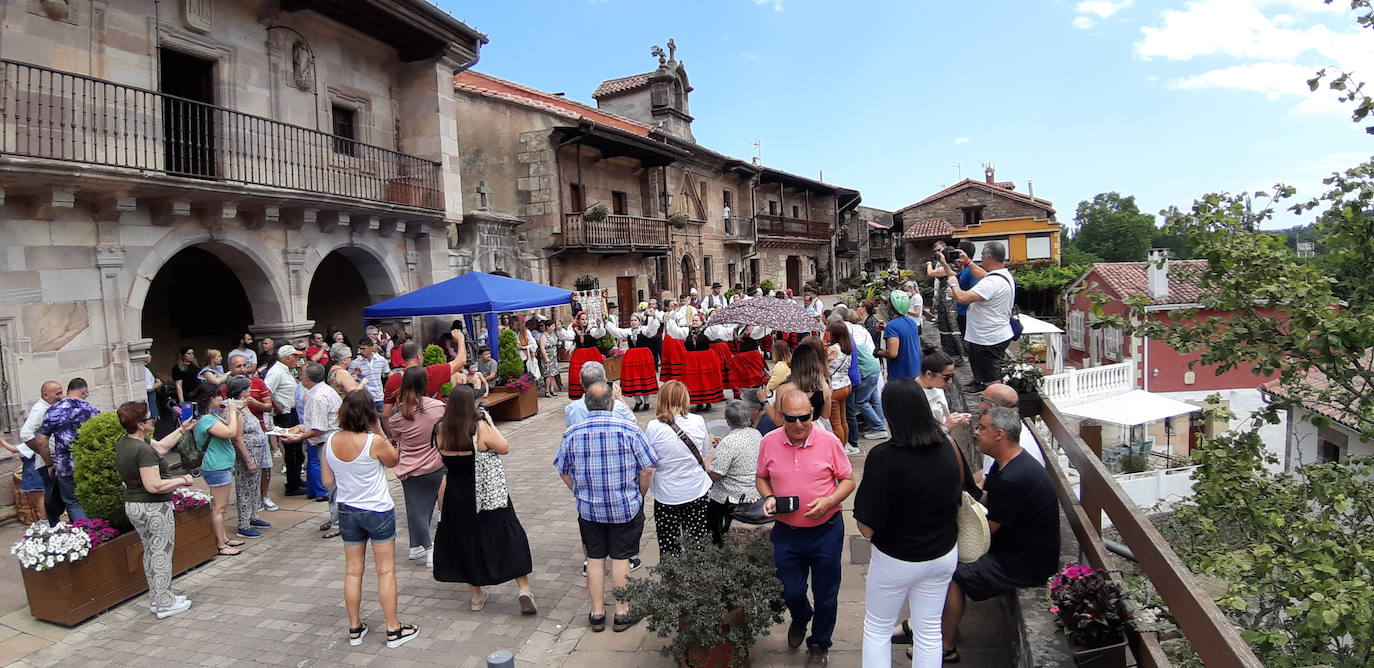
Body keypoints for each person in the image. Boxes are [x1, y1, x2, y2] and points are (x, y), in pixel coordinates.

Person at [854, 379, 977, 667]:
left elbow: (866, 527)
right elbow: (969, 493)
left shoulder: (884, 457)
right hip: (942, 554)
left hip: (896, 558)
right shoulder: (949, 447)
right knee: (929, 630)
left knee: (877, 629)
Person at [942, 407, 1059, 662]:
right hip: (1017, 547)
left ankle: (947, 647)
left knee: (951, 575)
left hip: (1025, 562)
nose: (976, 433)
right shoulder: (1009, 462)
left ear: (999, 434)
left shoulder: (1014, 478)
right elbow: (986, 498)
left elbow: (986, 530)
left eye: (982, 428)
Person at [757, 390, 855, 667]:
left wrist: (830, 500)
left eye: (804, 417)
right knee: (791, 591)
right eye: (791, 419)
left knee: (826, 594)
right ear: (781, 416)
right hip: (787, 532)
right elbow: (761, 477)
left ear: (812, 413)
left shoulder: (828, 441)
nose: (799, 424)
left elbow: (848, 479)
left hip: (826, 531)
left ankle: (819, 645)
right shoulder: (769, 442)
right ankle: (801, 616)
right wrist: (769, 497)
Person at [554, 381, 657, 633]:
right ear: (612, 403)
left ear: (587, 405)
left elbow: (563, 470)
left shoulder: (573, 433)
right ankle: (622, 612)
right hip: (624, 505)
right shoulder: (629, 429)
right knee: (621, 558)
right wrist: (640, 493)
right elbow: (647, 467)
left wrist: (578, 491)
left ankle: (597, 613)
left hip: (590, 508)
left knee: (595, 559)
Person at [320, 390, 419, 649]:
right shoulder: (373, 441)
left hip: (347, 509)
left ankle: (354, 627)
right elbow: (394, 461)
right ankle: (393, 628)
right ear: (368, 414)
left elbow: (327, 481)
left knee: (353, 570)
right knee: (385, 570)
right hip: (377, 509)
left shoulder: (330, 441)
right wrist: (381, 431)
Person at [432, 385, 538, 615]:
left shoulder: (441, 430)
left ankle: (476, 596)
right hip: (487, 493)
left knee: (466, 542)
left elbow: (443, 464)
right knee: (508, 534)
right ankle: (523, 588)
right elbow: (504, 447)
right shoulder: (478, 428)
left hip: (456, 495)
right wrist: (489, 422)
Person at [113, 401, 197, 619]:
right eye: (149, 417)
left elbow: (161, 447)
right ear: (140, 424)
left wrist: (182, 429)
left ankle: (159, 598)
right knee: (161, 553)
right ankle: (164, 603)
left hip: (134, 505)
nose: (154, 419)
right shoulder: (142, 450)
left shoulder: (125, 442)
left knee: (151, 551)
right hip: (153, 508)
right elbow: (154, 485)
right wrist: (182, 480)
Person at [642, 381, 712, 555]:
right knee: (698, 544)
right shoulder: (697, 420)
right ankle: (698, 580)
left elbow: (651, 461)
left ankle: (672, 579)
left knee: (668, 546)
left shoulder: (653, 426)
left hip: (667, 492)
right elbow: (703, 451)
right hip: (696, 488)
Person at [387, 367, 446, 568]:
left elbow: (395, 439)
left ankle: (424, 547)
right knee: (426, 506)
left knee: (416, 510)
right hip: (436, 463)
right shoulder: (438, 407)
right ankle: (420, 547)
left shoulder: (397, 416)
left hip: (410, 467)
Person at [188, 380, 251, 556]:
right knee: (219, 507)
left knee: (221, 506)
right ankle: (221, 545)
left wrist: (235, 411)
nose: (221, 398)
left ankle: (223, 538)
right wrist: (231, 409)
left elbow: (231, 426)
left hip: (221, 465)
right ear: (210, 398)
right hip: (216, 466)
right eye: (218, 395)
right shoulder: (207, 420)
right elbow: (230, 433)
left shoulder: (212, 416)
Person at [947, 241, 1015, 393]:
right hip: (993, 334)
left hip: (988, 338)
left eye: (982, 255)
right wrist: (968, 262)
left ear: (989, 257)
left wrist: (953, 283)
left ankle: (995, 408)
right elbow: (983, 275)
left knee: (992, 378)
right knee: (986, 373)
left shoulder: (991, 282)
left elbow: (963, 298)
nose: (981, 258)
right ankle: (984, 387)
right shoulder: (1001, 275)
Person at [38, 378, 100, 524]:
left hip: (65, 464)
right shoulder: (91, 410)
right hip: (87, 461)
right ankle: (92, 533)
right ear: (83, 391)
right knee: (88, 500)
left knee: (73, 502)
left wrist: (49, 464)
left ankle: (86, 535)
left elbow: (42, 441)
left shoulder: (53, 411)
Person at [706, 399, 763, 545]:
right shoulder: (756, 433)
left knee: (710, 507)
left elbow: (717, 473)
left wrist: (707, 463)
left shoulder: (729, 442)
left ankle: (717, 542)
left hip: (732, 495)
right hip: (753, 490)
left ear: (728, 420)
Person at [381, 328, 467, 420]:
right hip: (432, 426)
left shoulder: (393, 379)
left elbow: (386, 414)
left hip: (407, 429)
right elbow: (461, 361)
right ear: (419, 356)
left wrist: (392, 434)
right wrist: (461, 339)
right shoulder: (432, 372)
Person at [223, 376, 271, 539]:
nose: (250, 390)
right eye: (248, 388)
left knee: (254, 485)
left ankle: (253, 516)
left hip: (256, 450)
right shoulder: (235, 409)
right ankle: (243, 524)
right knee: (245, 487)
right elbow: (237, 437)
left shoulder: (245, 406)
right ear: (242, 391)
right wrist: (248, 460)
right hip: (247, 453)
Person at [762, 338, 831, 433]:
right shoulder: (824, 386)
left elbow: (778, 421)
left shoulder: (783, 389)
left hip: (792, 432)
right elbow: (826, 415)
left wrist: (764, 401)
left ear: (795, 363)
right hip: (815, 431)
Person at [265, 345, 305, 496]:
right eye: (295, 357)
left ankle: (296, 480)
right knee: (291, 450)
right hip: (286, 415)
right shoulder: (276, 371)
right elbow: (267, 391)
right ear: (287, 357)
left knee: (297, 450)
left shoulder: (285, 370)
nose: (297, 359)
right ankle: (292, 485)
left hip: (292, 413)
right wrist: (277, 405)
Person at [18, 380, 60, 520]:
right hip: (47, 462)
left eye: (61, 392)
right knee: (50, 498)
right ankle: (52, 527)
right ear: (45, 395)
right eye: (57, 393)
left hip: (53, 459)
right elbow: (25, 434)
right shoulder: (40, 410)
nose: (61, 396)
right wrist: (43, 452)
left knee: (56, 498)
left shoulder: (50, 407)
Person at [604, 311, 661, 411]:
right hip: (632, 358)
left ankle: (646, 401)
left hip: (643, 357)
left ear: (640, 322)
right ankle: (638, 401)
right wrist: (607, 323)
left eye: (635, 320)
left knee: (644, 377)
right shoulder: (628, 331)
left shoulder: (644, 330)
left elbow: (651, 330)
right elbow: (616, 332)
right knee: (633, 378)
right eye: (631, 320)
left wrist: (654, 317)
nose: (633, 322)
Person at [846, 309, 888, 442]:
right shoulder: (861, 329)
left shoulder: (848, 330)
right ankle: (878, 423)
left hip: (867, 370)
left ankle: (879, 427)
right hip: (874, 366)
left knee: (861, 401)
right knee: (874, 397)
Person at [669, 312, 724, 412]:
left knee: (706, 380)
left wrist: (715, 321)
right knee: (694, 381)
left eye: (696, 320)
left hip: (705, 359)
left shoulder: (707, 330)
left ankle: (708, 402)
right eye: (693, 320)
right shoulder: (687, 331)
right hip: (691, 360)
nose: (694, 322)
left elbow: (717, 334)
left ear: (702, 321)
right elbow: (675, 332)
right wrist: (671, 321)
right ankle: (699, 403)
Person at [563, 361, 637, 426]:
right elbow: (633, 423)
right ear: (605, 380)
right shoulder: (618, 406)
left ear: (581, 382)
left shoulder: (572, 408)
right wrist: (620, 399)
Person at [918, 351, 972, 436]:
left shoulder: (937, 387)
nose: (950, 381)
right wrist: (947, 425)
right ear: (929, 374)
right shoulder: (912, 396)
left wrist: (956, 419)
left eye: (952, 377)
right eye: (946, 377)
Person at [875, 290, 922, 382]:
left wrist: (878, 352)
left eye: (888, 302)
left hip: (900, 376)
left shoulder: (892, 326)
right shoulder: (912, 322)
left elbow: (892, 353)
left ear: (892, 306)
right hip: (915, 371)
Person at [560, 312, 605, 400]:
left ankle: (596, 394)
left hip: (591, 354)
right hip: (579, 355)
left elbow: (597, 334)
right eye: (582, 319)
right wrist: (560, 329)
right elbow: (567, 336)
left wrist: (600, 327)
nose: (584, 321)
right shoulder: (574, 330)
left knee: (594, 373)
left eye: (586, 319)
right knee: (577, 374)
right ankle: (581, 396)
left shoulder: (591, 329)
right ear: (578, 321)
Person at [824, 321, 854, 448]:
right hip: (846, 384)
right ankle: (845, 444)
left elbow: (822, 363)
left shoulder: (832, 349)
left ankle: (839, 448)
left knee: (835, 423)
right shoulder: (847, 347)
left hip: (835, 387)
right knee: (843, 419)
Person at [350, 339, 390, 412]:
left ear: (371, 348)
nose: (361, 351)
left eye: (363, 349)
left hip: (379, 397)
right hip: (365, 399)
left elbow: (388, 374)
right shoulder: (355, 363)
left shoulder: (381, 360)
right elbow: (350, 378)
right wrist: (354, 375)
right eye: (360, 349)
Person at [727, 325, 768, 397]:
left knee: (755, 378)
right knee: (742, 378)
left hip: (751, 356)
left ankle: (756, 397)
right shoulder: (736, 329)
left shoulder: (754, 329)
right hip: (741, 357)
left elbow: (759, 333)